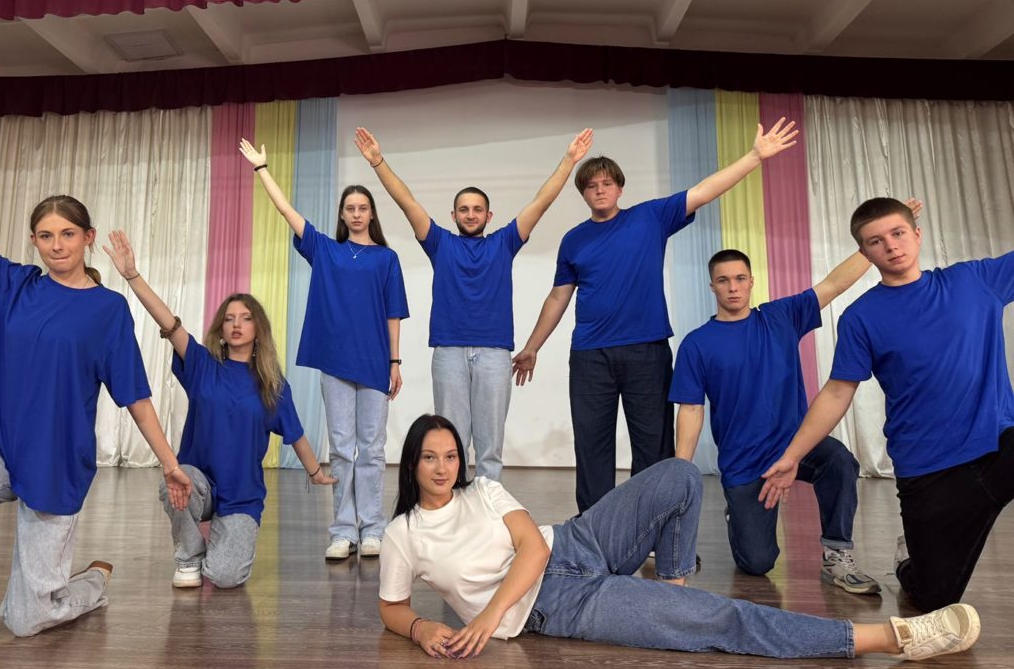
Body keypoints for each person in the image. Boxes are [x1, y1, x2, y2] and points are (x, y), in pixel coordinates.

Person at [0, 94, 192, 654]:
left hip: (56, 462)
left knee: (27, 619)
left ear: (88, 237)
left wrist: (169, 464)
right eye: (46, 236)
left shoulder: (108, 310)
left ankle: (90, 585)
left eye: (67, 234)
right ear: (34, 242)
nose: (56, 245)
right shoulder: (11, 284)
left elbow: (136, 396)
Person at [378, 414, 980, 662]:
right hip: (557, 606)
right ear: (412, 464)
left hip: (575, 543)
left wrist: (487, 617)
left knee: (679, 474)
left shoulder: (482, 490)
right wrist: (421, 627)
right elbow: (392, 607)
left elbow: (533, 547)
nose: (443, 467)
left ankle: (670, 588)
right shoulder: (403, 533)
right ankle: (893, 638)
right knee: (723, 620)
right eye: (429, 457)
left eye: (450, 455)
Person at [513, 119, 799, 513]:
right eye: (591, 186)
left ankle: (649, 523)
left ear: (620, 188)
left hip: (646, 351)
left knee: (653, 446)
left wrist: (754, 156)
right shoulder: (574, 240)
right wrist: (532, 347)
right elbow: (558, 297)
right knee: (592, 445)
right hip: (590, 355)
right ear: (583, 194)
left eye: (606, 183)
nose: (600, 190)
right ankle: (594, 529)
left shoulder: (649, 217)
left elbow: (704, 190)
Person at [761, 197, 1014, 612]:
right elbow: (838, 392)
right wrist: (792, 456)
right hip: (928, 468)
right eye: (876, 241)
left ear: (917, 233)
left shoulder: (974, 281)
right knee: (934, 599)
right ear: (864, 251)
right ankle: (907, 562)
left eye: (898, 233)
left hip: (997, 445)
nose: (892, 246)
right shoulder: (861, 317)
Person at [671, 219, 920, 593]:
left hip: (796, 445)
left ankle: (836, 554)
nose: (733, 287)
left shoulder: (780, 317)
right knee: (757, 564)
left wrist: (873, 245)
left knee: (839, 461)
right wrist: (682, 471)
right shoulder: (697, 343)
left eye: (740, 278)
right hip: (744, 460)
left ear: (751, 281)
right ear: (712, 286)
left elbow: (833, 285)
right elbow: (691, 409)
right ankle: (738, 514)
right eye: (723, 281)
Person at [353, 126, 594, 480]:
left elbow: (540, 202)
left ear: (488, 216)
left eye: (477, 209)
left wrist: (569, 161)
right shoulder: (439, 243)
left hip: (494, 353)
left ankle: (488, 508)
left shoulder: (505, 242)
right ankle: (453, 505)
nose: (470, 214)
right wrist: (378, 162)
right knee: (449, 445)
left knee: (490, 448)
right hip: (448, 352)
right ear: (453, 216)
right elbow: (408, 203)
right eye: (463, 209)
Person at [102, 231, 334, 588]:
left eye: (245, 318)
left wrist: (316, 473)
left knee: (225, 577)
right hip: (199, 483)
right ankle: (188, 556)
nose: (237, 324)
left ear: (258, 328)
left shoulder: (272, 383)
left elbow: (296, 434)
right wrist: (132, 276)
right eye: (229, 318)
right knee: (174, 481)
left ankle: (219, 545)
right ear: (221, 329)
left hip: (242, 495)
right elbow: (169, 323)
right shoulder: (202, 364)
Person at [240, 139, 409, 560]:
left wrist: (395, 362)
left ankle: (373, 528)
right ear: (342, 214)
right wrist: (262, 169)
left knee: (372, 449)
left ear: (372, 214)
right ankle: (343, 531)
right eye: (350, 208)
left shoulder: (386, 259)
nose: (356, 213)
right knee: (342, 448)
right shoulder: (326, 251)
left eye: (363, 208)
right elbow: (286, 212)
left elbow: (394, 314)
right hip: (335, 363)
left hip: (375, 363)